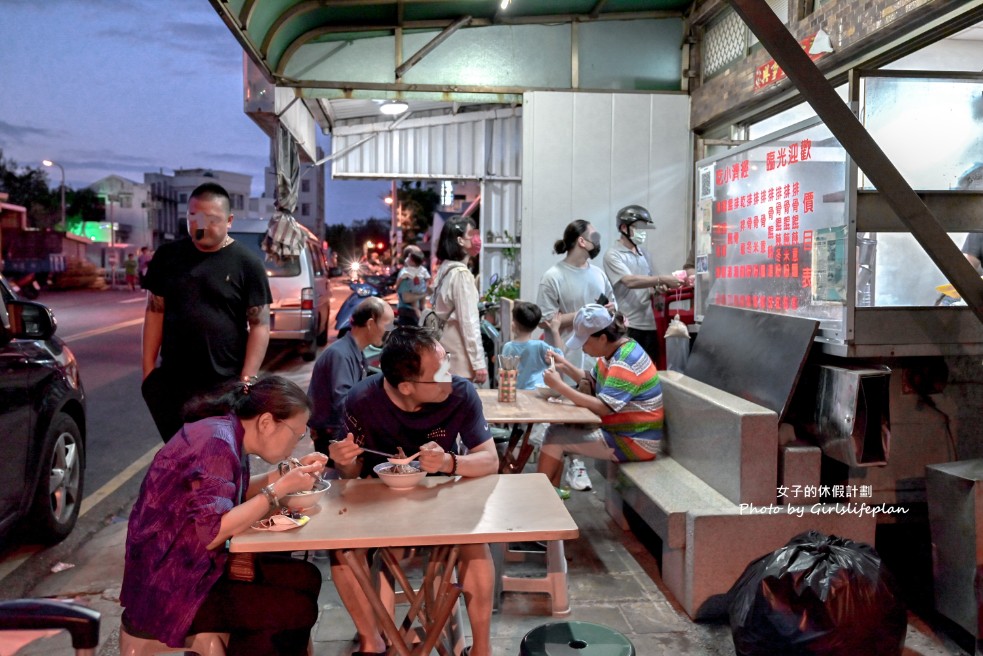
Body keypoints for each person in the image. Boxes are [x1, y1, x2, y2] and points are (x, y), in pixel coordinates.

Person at [120, 375, 327, 653]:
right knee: (294, 609)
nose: (297, 442)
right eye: (297, 434)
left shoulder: (226, 432)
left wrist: (284, 474)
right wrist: (278, 489)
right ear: (266, 423)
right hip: (172, 587)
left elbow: (228, 496)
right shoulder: (215, 442)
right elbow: (213, 532)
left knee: (307, 577)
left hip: (195, 569)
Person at [328, 326, 499, 656]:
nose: (450, 377)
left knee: (475, 542)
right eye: (440, 374)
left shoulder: (460, 394)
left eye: (447, 362)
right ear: (405, 386)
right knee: (341, 550)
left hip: (442, 498)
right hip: (376, 501)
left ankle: (482, 649)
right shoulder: (361, 401)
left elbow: (489, 460)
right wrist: (343, 460)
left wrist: (450, 462)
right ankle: (372, 643)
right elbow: (349, 474)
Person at [141, 182, 273, 443]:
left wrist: (247, 380)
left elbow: (259, 325)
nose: (202, 226)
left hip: (224, 385)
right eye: (194, 217)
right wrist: (147, 371)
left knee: (221, 459)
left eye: (212, 219)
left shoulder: (247, 263)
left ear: (229, 220)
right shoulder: (168, 256)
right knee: (180, 457)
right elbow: (155, 311)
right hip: (174, 383)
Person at [538, 304, 664, 494]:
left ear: (603, 338)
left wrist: (559, 386)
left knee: (555, 436)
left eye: (585, 342)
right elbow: (591, 379)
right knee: (556, 435)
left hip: (636, 442)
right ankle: (549, 499)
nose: (583, 348)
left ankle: (540, 499)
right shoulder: (614, 352)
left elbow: (603, 407)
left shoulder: (625, 361)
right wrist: (564, 365)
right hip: (626, 434)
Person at [306, 296, 394, 456]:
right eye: (386, 324)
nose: (389, 330)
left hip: (339, 432)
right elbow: (345, 403)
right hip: (332, 436)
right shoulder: (341, 355)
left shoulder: (354, 352)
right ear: (370, 324)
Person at [602, 205, 683, 364]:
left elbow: (651, 282)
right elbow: (629, 281)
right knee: (628, 369)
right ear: (624, 228)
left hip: (650, 322)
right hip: (628, 325)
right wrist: (662, 279)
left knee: (649, 368)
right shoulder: (613, 255)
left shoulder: (644, 253)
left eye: (644, 228)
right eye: (638, 227)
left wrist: (660, 288)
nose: (643, 232)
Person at [536, 220, 616, 373]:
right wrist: (586, 313)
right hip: (565, 363)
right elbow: (544, 321)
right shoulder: (552, 277)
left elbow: (613, 307)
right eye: (595, 237)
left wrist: (611, 310)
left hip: (597, 365)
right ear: (582, 241)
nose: (598, 242)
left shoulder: (599, 274)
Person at [431, 215, 487, 384]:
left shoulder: (444, 270)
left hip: (441, 352)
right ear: (460, 241)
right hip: (459, 359)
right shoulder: (462, 275)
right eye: (473, 234)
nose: (477, 239)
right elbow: (469, 322)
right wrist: (478, 363)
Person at [500, 301, 563, 390]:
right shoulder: (540, 346)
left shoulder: (508, 347)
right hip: (538, 392)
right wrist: (555, 331)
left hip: (516, 392)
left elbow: (505, 375)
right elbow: (560, 357)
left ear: (513, 324)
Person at [395, 244, 430, 326]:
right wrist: (423, 294)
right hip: (408, 317)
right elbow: (406, 298)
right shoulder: (405, 274)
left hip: (415, 317)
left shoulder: (420, 271)